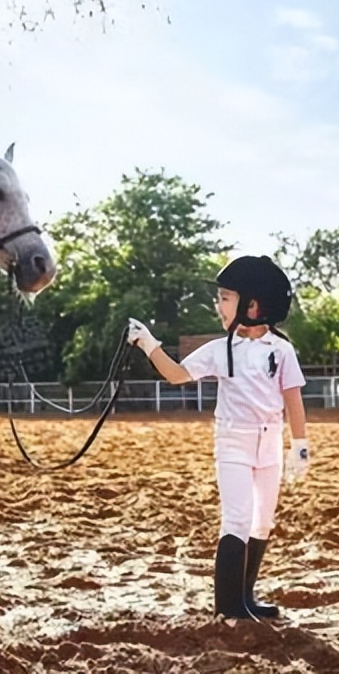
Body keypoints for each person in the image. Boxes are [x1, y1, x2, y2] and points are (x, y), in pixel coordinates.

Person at [127, 255, 309, 620]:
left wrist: (300, 445)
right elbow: (178, 375)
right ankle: (229, 607)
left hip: (270, 443)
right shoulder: (220, 349)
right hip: (234, 444)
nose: (219, 305)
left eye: (226, 297)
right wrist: (149, 345)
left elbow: (292, 397)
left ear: (253, 305)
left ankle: (246, 596)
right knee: (238, 518)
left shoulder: (282, 350)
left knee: (262, 521)